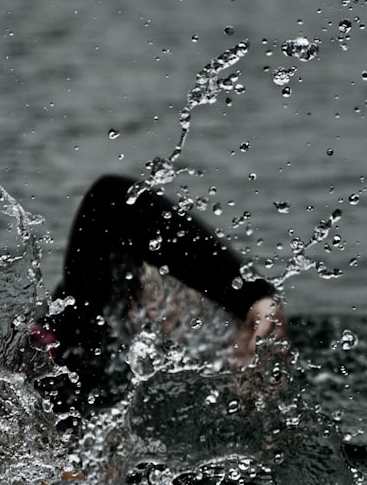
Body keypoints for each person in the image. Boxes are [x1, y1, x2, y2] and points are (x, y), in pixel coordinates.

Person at [31, 174, 286, 416]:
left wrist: (255, 302)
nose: (165, 314)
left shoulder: (97, 351)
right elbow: (111, 200)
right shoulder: (76, 337)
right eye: (159, 296)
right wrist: (251, 296)